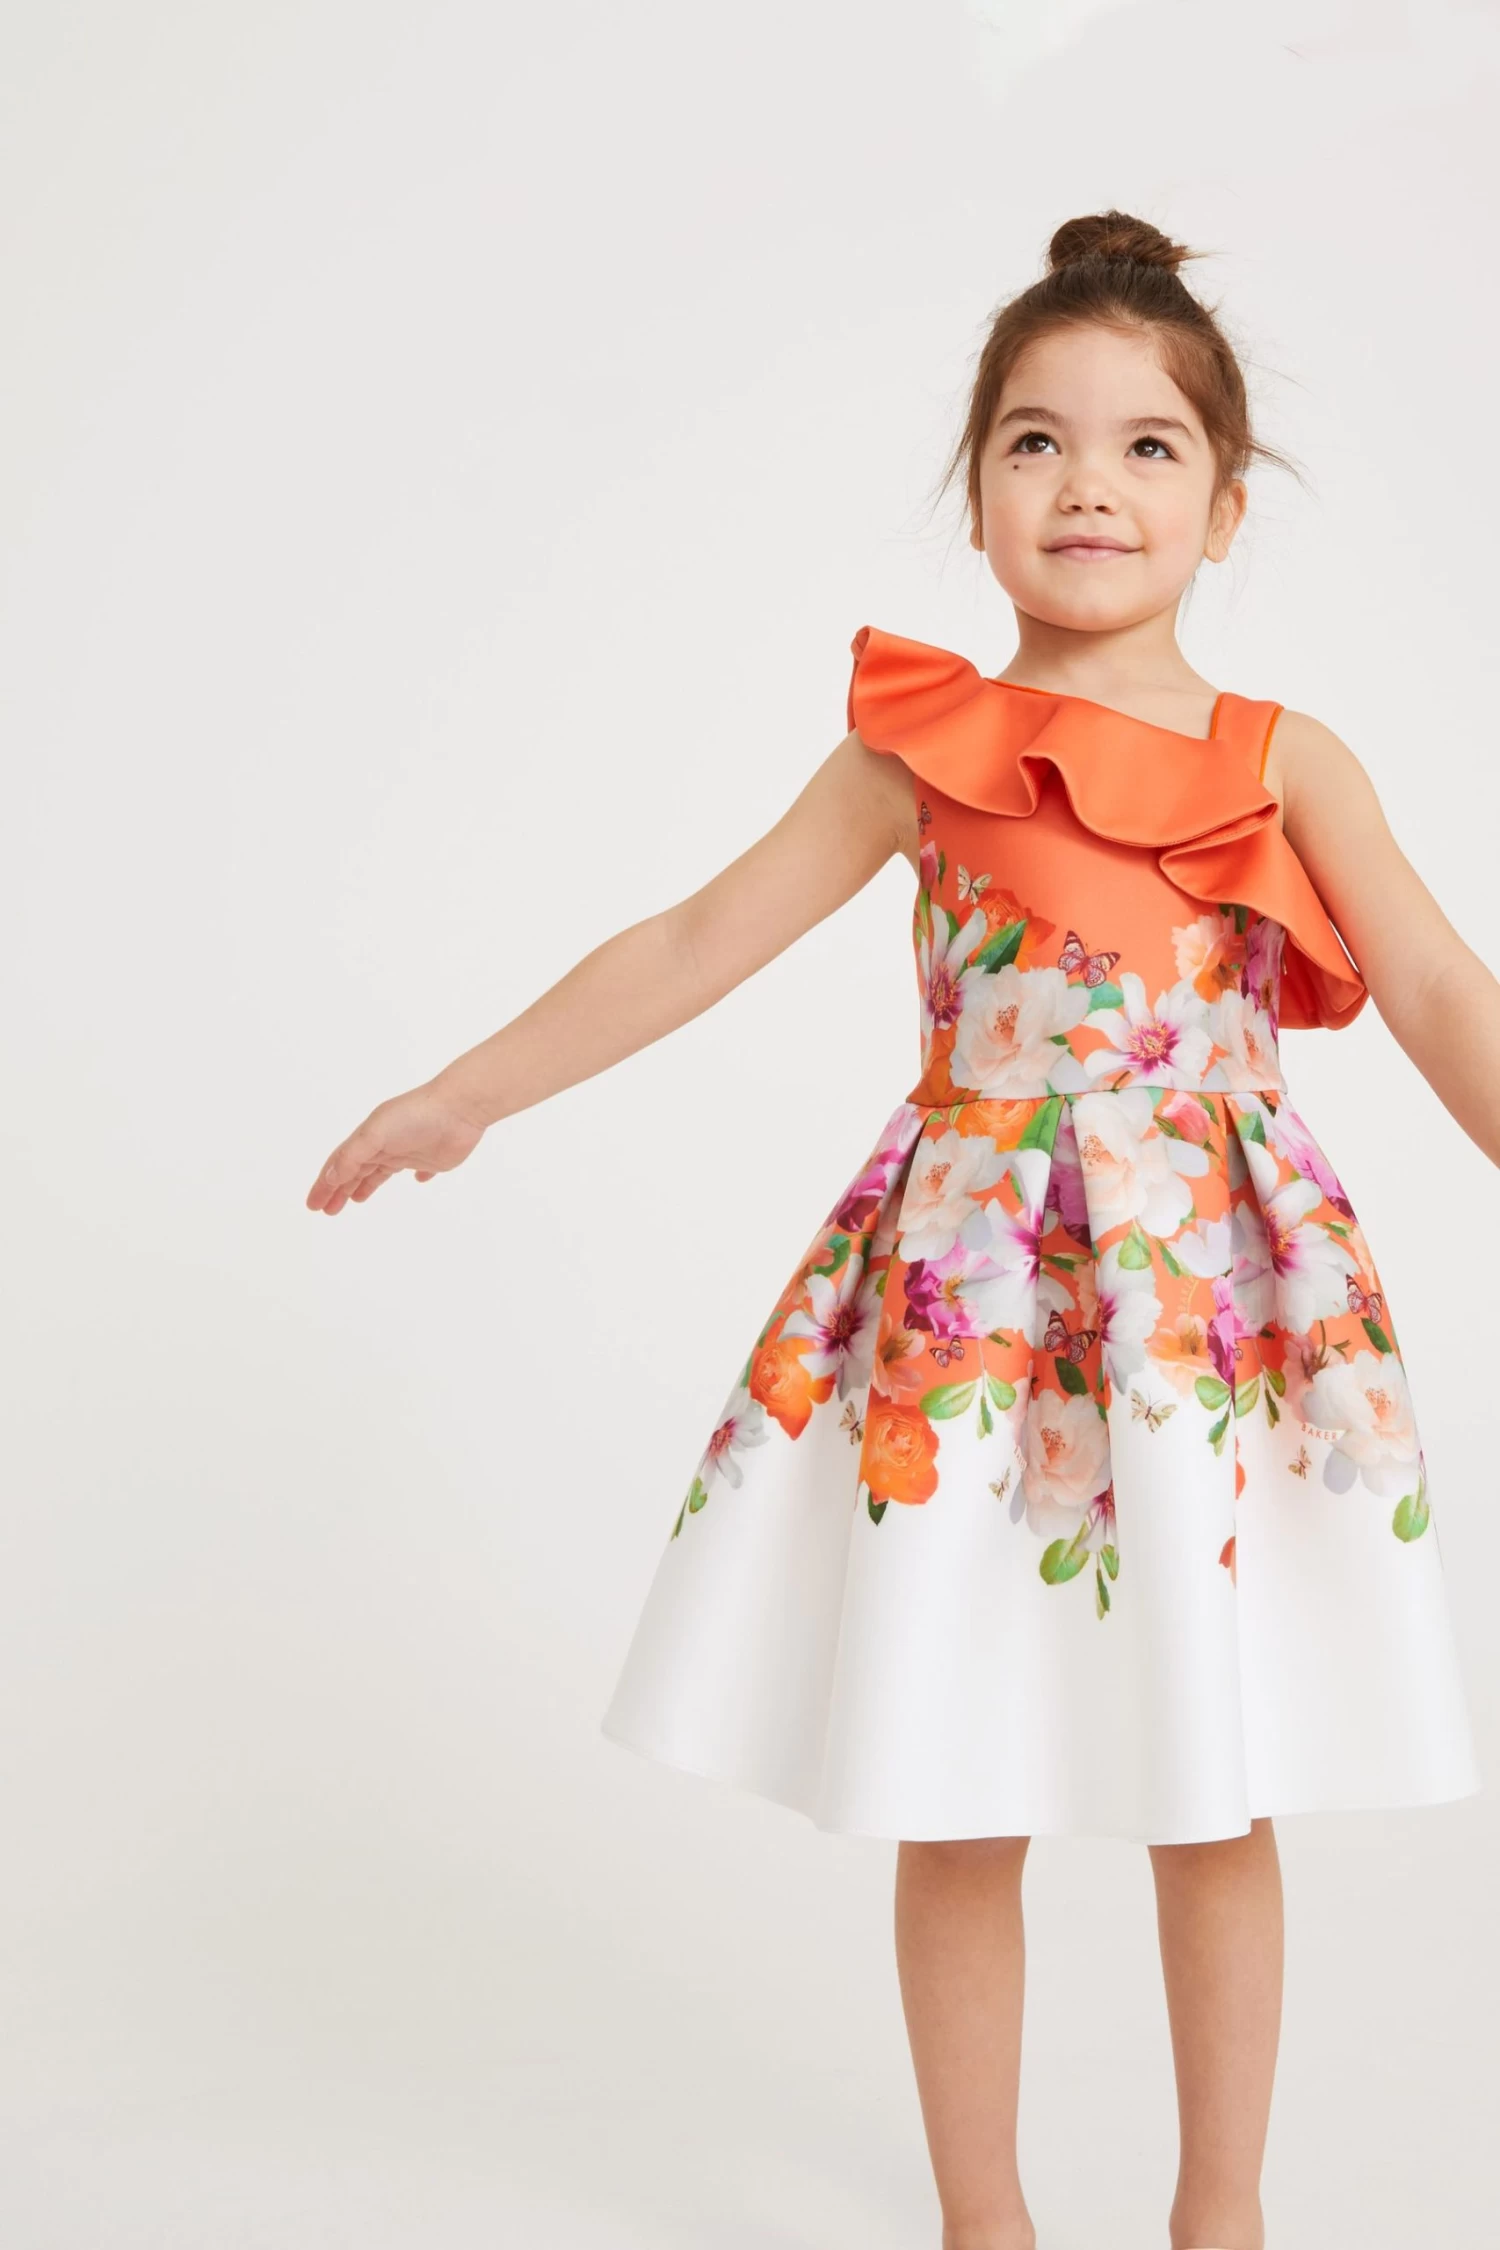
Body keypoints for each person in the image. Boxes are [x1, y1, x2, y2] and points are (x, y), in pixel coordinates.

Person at [305, 209, 1493, 2250]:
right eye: (1037, 441)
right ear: (977, 492)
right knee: (957, 1778)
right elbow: (695, 936)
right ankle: (981, 2220)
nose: (1089, 483)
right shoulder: (913, 749)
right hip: (970, 1312)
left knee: (1216, 1785)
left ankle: (1224, 2214)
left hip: (1201, 1325)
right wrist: (468, 1089)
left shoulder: (1286, 761)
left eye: (1146, 445)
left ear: (1224, 506)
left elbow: (1446, 986)